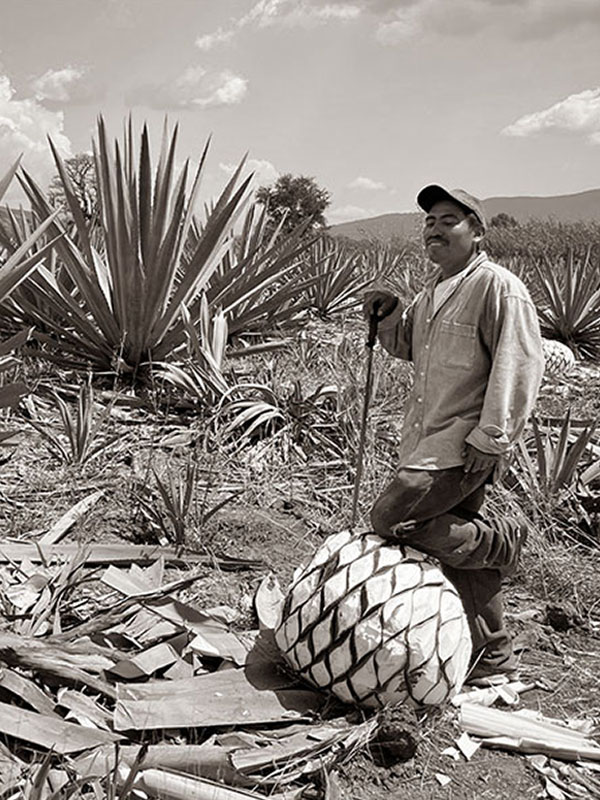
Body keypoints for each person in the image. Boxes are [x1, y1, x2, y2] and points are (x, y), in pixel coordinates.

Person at [364, 184, 544, 684]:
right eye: (429, 222)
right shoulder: (432, 292)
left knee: (392, 518)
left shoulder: (497, 287)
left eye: (449, 220)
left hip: (463, 443)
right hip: (427, 438)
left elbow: (519, 363)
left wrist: (492, 437)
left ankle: (500, 544)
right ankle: (494, 655)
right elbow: (409, 349)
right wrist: (390, 313)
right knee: (458, 550)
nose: (435, 229)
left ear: (478, 232)